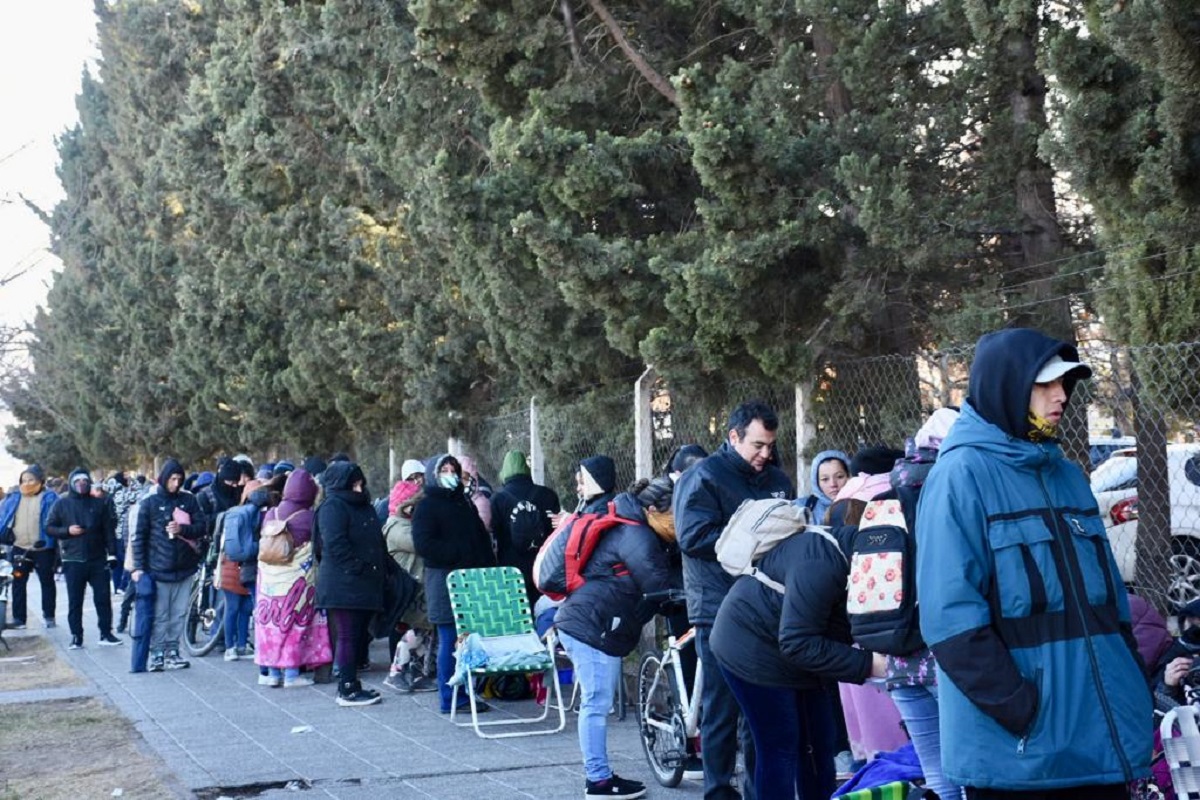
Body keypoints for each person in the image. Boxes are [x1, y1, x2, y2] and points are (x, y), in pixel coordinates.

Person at [916, 328, 1151, 799]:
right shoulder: (960, 477)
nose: (1061, 395)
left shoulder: (1066, 474)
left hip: (1098, 742)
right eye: (1045, 384)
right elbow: (950, 621)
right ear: (1008, 384)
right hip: (1022, 757)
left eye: (1065, 384)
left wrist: (1131, 682)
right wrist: (1021, 709)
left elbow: (1107, 602)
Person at [710, 501, 887, 799]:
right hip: (748, 646)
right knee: (780, 745)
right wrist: (869, 664)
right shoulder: (821, 565)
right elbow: (798, 642)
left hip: (793, 648)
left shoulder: (854, 557)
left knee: (819, 742)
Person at [673, 400, 793, 800]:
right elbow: (691, 538)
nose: (765, 454)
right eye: (757, 445)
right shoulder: (704, 476)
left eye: (770, 446)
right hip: (717, 607)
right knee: (722, 705)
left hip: (767, 606)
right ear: (733, 436)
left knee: (760, 707)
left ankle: (760, 790)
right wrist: (751, 539)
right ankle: (719, 790)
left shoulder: (775, 477)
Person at [554, 478, 671, 800]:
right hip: (590, 625)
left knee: (596, 701)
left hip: (591, 621)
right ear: (652, 510)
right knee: (596, 702)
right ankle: (598, 782)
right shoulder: (636, 534)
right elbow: (658, 583)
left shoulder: (630, 527)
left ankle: (600, 776)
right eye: (673, 513)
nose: (676, 521)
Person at [411, 453, 496, 714]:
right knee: (449, 640)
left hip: (471, 582)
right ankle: (450, 697)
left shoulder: (464, 502)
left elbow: (480, 538)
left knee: (468, 640)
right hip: (445, 583)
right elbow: (424, 545)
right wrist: (458, 553)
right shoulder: (426, 506)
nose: (450, 474)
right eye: (444, 470)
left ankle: (466, 692)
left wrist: (486, 567)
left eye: (453, 470)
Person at [314, 460, 387, 706]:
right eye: (353, 483)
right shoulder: (333, 507)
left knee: (356, 636)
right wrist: (359, 567)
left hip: (363, 582)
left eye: (360, 482)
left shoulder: (363, 505)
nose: (358, 487)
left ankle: (352, 683)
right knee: (346, 635)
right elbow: (333, 544)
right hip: (342, 584)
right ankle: (346, 688)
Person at [255, 468, 332, 688]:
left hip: (269, 582)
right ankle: (291, 674)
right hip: (295, 583)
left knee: (271, 626)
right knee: (293, 626)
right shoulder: (308, 517)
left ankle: (271, 673)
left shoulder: (271, 513)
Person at [131, 459, 206, 672]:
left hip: (185, 568)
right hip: (158, 569)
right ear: (164, 479)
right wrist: (139, 567)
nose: (175, 484)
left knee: (179, 613)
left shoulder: (188, 500)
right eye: (172, 479)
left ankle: (173, 650)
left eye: (179, 480)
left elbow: (202, 526)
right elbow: (139, 537)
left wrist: (183, 529)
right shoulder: (149, 504)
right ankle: (157, 653)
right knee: (160, 614)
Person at [46, 469, 122, 649]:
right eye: (77, 480)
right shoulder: (61, 504)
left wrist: (112, 553)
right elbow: (49, 527)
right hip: (73, 559)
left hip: (97, 558)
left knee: (103, 597)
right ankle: (76, 635)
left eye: (84, 480)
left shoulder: (100, 503)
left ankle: (106, 632)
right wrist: (67, 531)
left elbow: (108, 531)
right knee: (75, 600)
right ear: (71, 482)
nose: (81, 483)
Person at [382, 458, 435, 693]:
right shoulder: (397, 527)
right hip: (413, 589)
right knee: (417, 632)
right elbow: (421, 543)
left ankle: (418, 671)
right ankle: (397, 672)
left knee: (426, 631)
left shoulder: (402, 523)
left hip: (420, 587)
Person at [491, 449, 562, 605]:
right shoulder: (548, 495)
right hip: (543, 567)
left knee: (518, 616)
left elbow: (494, 534)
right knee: (544, 612)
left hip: (511, 570)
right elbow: (557, 529)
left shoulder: (498, 499)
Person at [0, 465, 59, 629]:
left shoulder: (50, 497)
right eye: (24, 480)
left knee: (47, 582)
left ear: (41, 481)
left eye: (31, 480)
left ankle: (49, 616)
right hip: (20, 547)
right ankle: (19, 619)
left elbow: (57, 518)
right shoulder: (13, 498)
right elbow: (3, 517)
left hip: (43, 548)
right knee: (18, 582)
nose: (27, 483)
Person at [800, 450, 850, 524]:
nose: (833, 484)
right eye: (825, 479)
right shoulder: (802, 507)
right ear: (816, 482)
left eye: (839, 477)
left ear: (849, 476)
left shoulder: (863, 506)